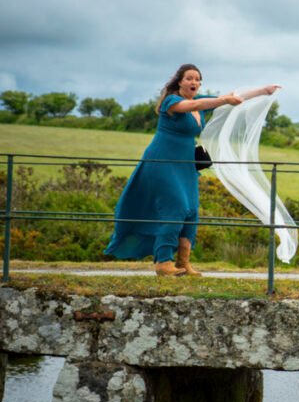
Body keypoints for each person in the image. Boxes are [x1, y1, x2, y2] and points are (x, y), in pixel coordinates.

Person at [104, 63, 279, 276]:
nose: (194, 82)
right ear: (179, 81)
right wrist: (223, 100)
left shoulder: (197, 101)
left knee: (191, 211)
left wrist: (263, 90)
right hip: (162, 161)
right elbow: (201, 104)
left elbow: (234, 96)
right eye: (189, 78)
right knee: (175, 207)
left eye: (197, 79)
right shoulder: (171, 101)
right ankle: (163, 261)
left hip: (185, 164)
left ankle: (183, 262)